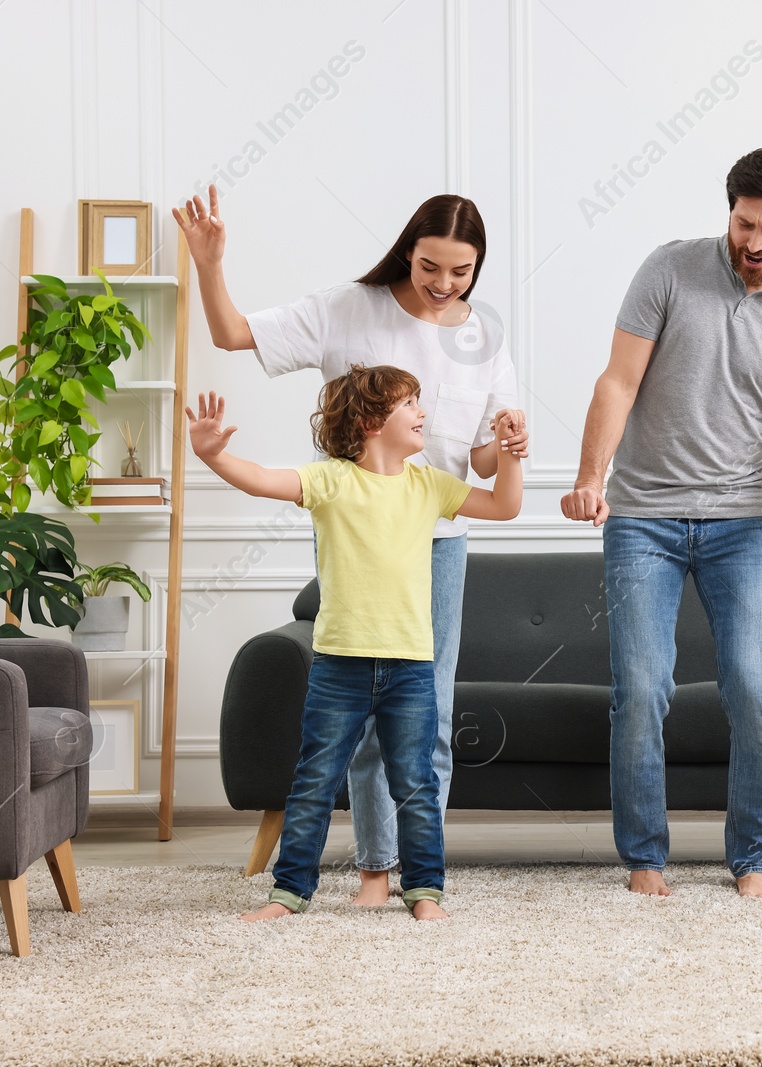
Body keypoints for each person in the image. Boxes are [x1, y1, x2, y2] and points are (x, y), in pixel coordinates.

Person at [174, 187, 526, 907]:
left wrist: (511, 443)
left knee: (426, 717)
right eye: (432, 266)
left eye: (462, 272)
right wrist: (210, 264)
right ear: (407, 250)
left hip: (441, 536)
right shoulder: (350, 307)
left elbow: (486, 466)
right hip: (359, 529)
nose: (445, 284)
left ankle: (421, 879)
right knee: (364, 712)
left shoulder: (482, 334)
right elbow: (234, 333)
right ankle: (374, 868)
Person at [560, 147, 762, 898]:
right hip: (642, 518)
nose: (753, 241)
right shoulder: (669, 270)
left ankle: (752, 857)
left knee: (754, 686)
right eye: (743, 222)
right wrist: (591, 476)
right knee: (644, 687)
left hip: (741, 523)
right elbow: (617, 382)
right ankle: (645, 858)